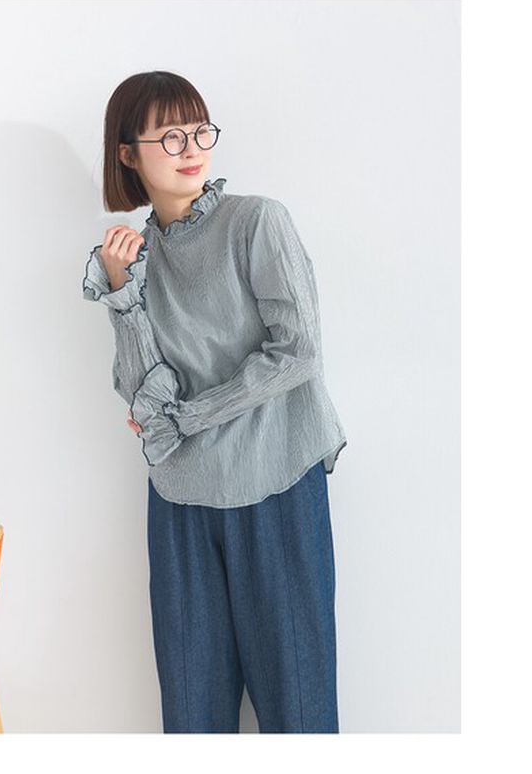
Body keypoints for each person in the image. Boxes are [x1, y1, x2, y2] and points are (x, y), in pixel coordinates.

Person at [82, 70, 347, 733]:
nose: (191, 148)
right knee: (192, 718)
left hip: (276, 486)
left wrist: (189, 416)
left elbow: (299, 352)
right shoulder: (135, 257)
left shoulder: (257, 222)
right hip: (181, 500)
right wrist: (121, 291)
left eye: (200, 131)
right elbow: (142, 395)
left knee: (300, 715)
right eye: (170, 137)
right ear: (128, 153)